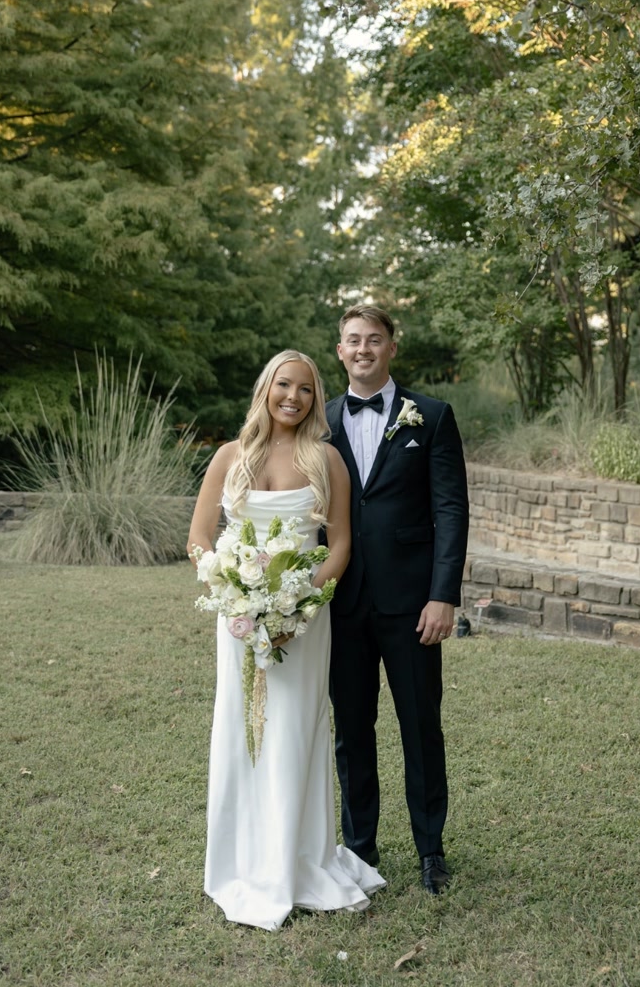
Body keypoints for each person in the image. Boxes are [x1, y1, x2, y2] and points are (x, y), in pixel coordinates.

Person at [187, 349, 385, 931]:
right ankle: (241, 861)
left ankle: (297, 862)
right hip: (239, 621)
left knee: (294, 729)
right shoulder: (230, 456)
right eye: (283, 385)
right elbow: (200, 538)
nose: (292, 397)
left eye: (304, 388)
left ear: (315, 397)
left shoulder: (326, 460)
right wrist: (231, 593)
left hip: (303, 620)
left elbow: (341, 543)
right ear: (265, 389)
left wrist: (299, 603)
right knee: (240, 729)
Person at [326, 305, 469, 895]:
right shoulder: (320, 420)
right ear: (339, 351)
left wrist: (442, 595)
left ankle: (431, 851)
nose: (363, 349)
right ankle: (360, 854)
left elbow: (450, 510)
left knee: (420, 726)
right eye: (353, 340)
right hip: (338, 605)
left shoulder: (430, 417)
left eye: (374, 340)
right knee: (351, 732)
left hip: (413, 607)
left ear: (390, 349)